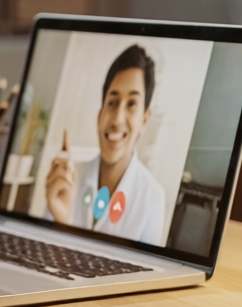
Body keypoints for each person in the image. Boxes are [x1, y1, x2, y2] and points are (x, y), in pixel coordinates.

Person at [44, 43, 166, 245]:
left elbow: (144, 275)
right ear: (100, 114)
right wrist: (61, 223)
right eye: (112, 102)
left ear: (145, 119)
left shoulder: (152, 198)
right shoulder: (67, 181)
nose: (117, 118)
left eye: (132, 104)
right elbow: (41, 262)